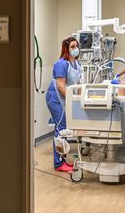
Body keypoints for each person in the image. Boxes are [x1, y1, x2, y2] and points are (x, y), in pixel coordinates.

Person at [46, 37, 81, 173]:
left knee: (64, 128)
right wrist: (74, 99)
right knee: (61, 129)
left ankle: (62, 160)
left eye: (76, 46)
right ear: (66, 49)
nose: (75, 49)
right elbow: (61, 86)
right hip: (56, 98)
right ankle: (59, 164)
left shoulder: (77, 64)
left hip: (65, 98)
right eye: (72, 47)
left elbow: (76, 84)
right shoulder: (61, 64)